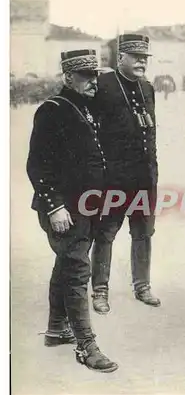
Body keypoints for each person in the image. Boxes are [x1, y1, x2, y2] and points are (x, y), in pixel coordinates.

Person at [27, 49, 118, 373]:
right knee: (78, 269)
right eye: (86, 76)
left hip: (87, 205)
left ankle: (56, 328)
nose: (94, 81)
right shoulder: (52, 111)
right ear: (68, 77)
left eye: (96, 75)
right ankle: (86, 345)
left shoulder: (86, 107)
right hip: (64, 208)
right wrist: (55, 207)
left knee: (67, 262)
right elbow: (37, 166)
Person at [91, 34, 160, 313]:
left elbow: (151, 132)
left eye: (145, 58)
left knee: (143, 232)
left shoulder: (148, 87)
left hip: (144, 177)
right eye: (136, 57)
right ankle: (99, 289)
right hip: (114, 178)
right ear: (121, 58)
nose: (142, 62)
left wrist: (153, 173)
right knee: (106, 233)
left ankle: (142, 285)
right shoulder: (103, 84)